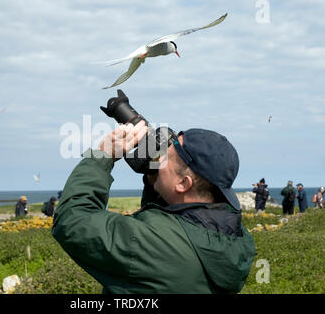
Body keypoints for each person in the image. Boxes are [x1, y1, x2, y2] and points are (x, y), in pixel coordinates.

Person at [52, 119, 255, 294]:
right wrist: (155, 178)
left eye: (165, 157)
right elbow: (175, 221)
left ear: (183, 183)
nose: (159, 158)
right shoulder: (234, 238)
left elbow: (72, 220)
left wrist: (103, 156)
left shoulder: (152, 242)